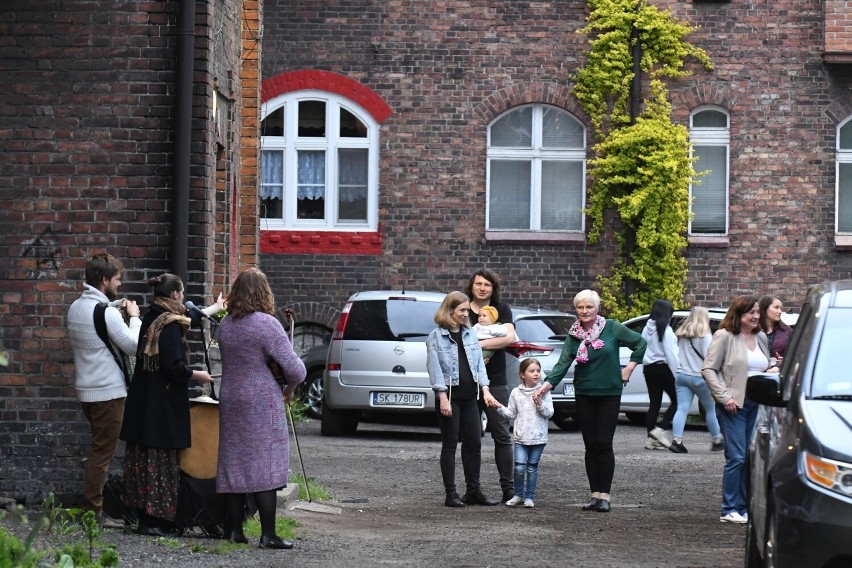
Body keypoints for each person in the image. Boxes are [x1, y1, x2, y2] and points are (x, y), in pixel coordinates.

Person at [120, 273, 220, 536]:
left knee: (142, 462)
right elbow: (173, 366)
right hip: (160, 407)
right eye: (183, 293)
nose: (185, 298)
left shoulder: (154, 316)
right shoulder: (170, 324)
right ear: (175, 295)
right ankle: (156, 522)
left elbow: (190, 317)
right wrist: (196, 374)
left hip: (144, 403)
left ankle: (145, 519)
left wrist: (216, 307)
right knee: (160, 463)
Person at [216, 268, 306, 549]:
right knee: (266, 463)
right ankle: (268, 535)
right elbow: (296, 369)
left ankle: (234, 531)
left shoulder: (226, 324)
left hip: (231, 397)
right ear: (263, 292)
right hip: (261, 400)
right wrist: (289, 388)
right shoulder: (266, 324)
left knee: (234, 461)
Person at [534, 289, 646, 513]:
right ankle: (594, 495)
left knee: (604, 443)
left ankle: (605, 496)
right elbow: (563, 362)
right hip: (584, 392)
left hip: (609, 392)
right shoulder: (574, 334)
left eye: (589, 307)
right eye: (580, 307)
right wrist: (546, 386)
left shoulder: (612, 327)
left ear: (597, 308)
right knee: (590, 444)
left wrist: (629, 368)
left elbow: (640, 343)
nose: (584, 311)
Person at [67, 253, 141, 528]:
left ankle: (93, 509)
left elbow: (97, 316)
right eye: (118, 279)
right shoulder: (107, 313)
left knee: (99, 450)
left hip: (86, 390)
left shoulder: (76, 307)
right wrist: (133, 317)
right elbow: (132, 345)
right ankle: (92, 513)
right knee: (102, 454)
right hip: (108, 393)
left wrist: (114, 305)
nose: (120, 284)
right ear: (105, 279)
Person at [702, 295, 778, 524]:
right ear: (738, 315)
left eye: (757, 312)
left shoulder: (762, 337)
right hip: (734, 404)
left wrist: (774, 367)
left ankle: (744, 507)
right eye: (750, 313)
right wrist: (724, 397)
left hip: (758, 405)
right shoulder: (724, 336)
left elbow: (764, 364)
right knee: (736, 457)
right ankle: (729, 508)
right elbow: (708, 369)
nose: (756, 316)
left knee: (750, 457)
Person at [426, 290, 500, 508]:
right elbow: (434, 368)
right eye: (462, 310)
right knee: (450, 445)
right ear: (450, 310)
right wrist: (442, 397)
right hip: (450, 396)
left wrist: (485, 389)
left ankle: (473, 491)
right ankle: (451, 494)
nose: (466, 313)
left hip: (470, 397)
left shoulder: (469, 334)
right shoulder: (436, 336)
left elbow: (478, 365)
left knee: (474, 443)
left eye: (467, 310)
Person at [465, 269, 516, 503]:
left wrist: (479, 342)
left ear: (493, 288)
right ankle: (473, 490)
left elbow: (509, 338)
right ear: (472, 286)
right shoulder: (463, 308)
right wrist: (488, 345)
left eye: (487, 284)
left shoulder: (502, 310)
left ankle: (509, 490)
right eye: (478, 284)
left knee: (502, 435)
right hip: (468, 381)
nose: (483, 288)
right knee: (471, 437)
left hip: (495, 381)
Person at [495, 358, 553, 508]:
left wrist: (539, 401)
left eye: (538, 371)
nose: (536, 374)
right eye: (531, 371)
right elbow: (511, 413)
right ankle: (518, 494)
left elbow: (549, 413)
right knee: (519, 467)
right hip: (521, 437)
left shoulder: (544, 391)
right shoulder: (516, 392)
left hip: (538, 438)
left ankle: (529, 497)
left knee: (532, 467)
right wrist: (498, 407)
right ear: (522, 374)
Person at [671, 307, 723, 453]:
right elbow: (710, 357)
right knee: (710, 409)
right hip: (700, 377)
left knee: (682, 408)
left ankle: (677, 440)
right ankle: (717, 439)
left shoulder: (681, 334)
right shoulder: (705, 336)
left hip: (682, 376)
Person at [641, 299, 679, 451]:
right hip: (663, 368)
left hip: (648, 368)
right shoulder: (666, 330)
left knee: (654, 403)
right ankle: (660, 430)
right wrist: (677, 374)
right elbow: (671, 355)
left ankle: (651, 439)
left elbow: (642, 346)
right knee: (678, 401)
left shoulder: (646, 328)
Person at [759, 295, 793, 362]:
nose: (780, 311)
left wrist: (784, 361)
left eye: (780, 308)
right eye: (776, 307)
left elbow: (795, 355)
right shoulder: (753, 330)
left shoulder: (786, 331)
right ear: (765, 308)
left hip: (777, 370)